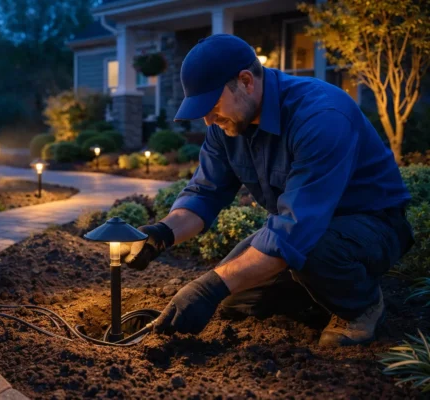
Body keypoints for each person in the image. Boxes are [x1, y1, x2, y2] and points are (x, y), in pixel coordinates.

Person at [122, 34, 415, 347]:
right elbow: (205, 193)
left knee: (307, 253)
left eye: (212, 104)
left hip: (371, 226)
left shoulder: (320, 116)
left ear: (246, 81)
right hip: (301, 226)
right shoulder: (228, 125)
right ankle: (319, 294)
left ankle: (362, 305)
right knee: (235, 302)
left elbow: (296, 231)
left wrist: (207, 287)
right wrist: (160, 235)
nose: (208, 119)